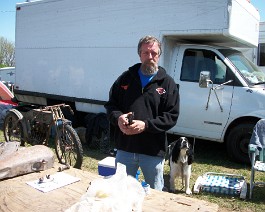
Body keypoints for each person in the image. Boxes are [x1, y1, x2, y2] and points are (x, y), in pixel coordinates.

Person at [104, 35, 179, 191]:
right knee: (122, 191)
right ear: (139, 54)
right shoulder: (125, 79)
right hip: (125, 148)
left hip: (152, 151)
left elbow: (172, 116)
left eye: (154, 53)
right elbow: (111, 105)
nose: (150, 57)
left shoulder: (167, 83)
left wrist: (146, 125)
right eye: (146, 53)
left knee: (155, 194)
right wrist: (118, 118)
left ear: (159, 55)